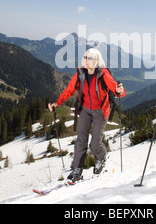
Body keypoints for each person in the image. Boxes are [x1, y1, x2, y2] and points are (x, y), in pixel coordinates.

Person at [48, 48, 125, 182]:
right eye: (85, 57)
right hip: (85, 110)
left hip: (100, 112)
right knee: (80, 141)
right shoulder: (80, 73)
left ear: (97, 61)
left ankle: (101, 156)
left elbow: (117, 91)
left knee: (94, 144)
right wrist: (57, 102)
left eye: (90, 58)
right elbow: (69, 90)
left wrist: (120, 90)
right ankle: (77, 170)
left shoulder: (103, 74)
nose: (86, 60)